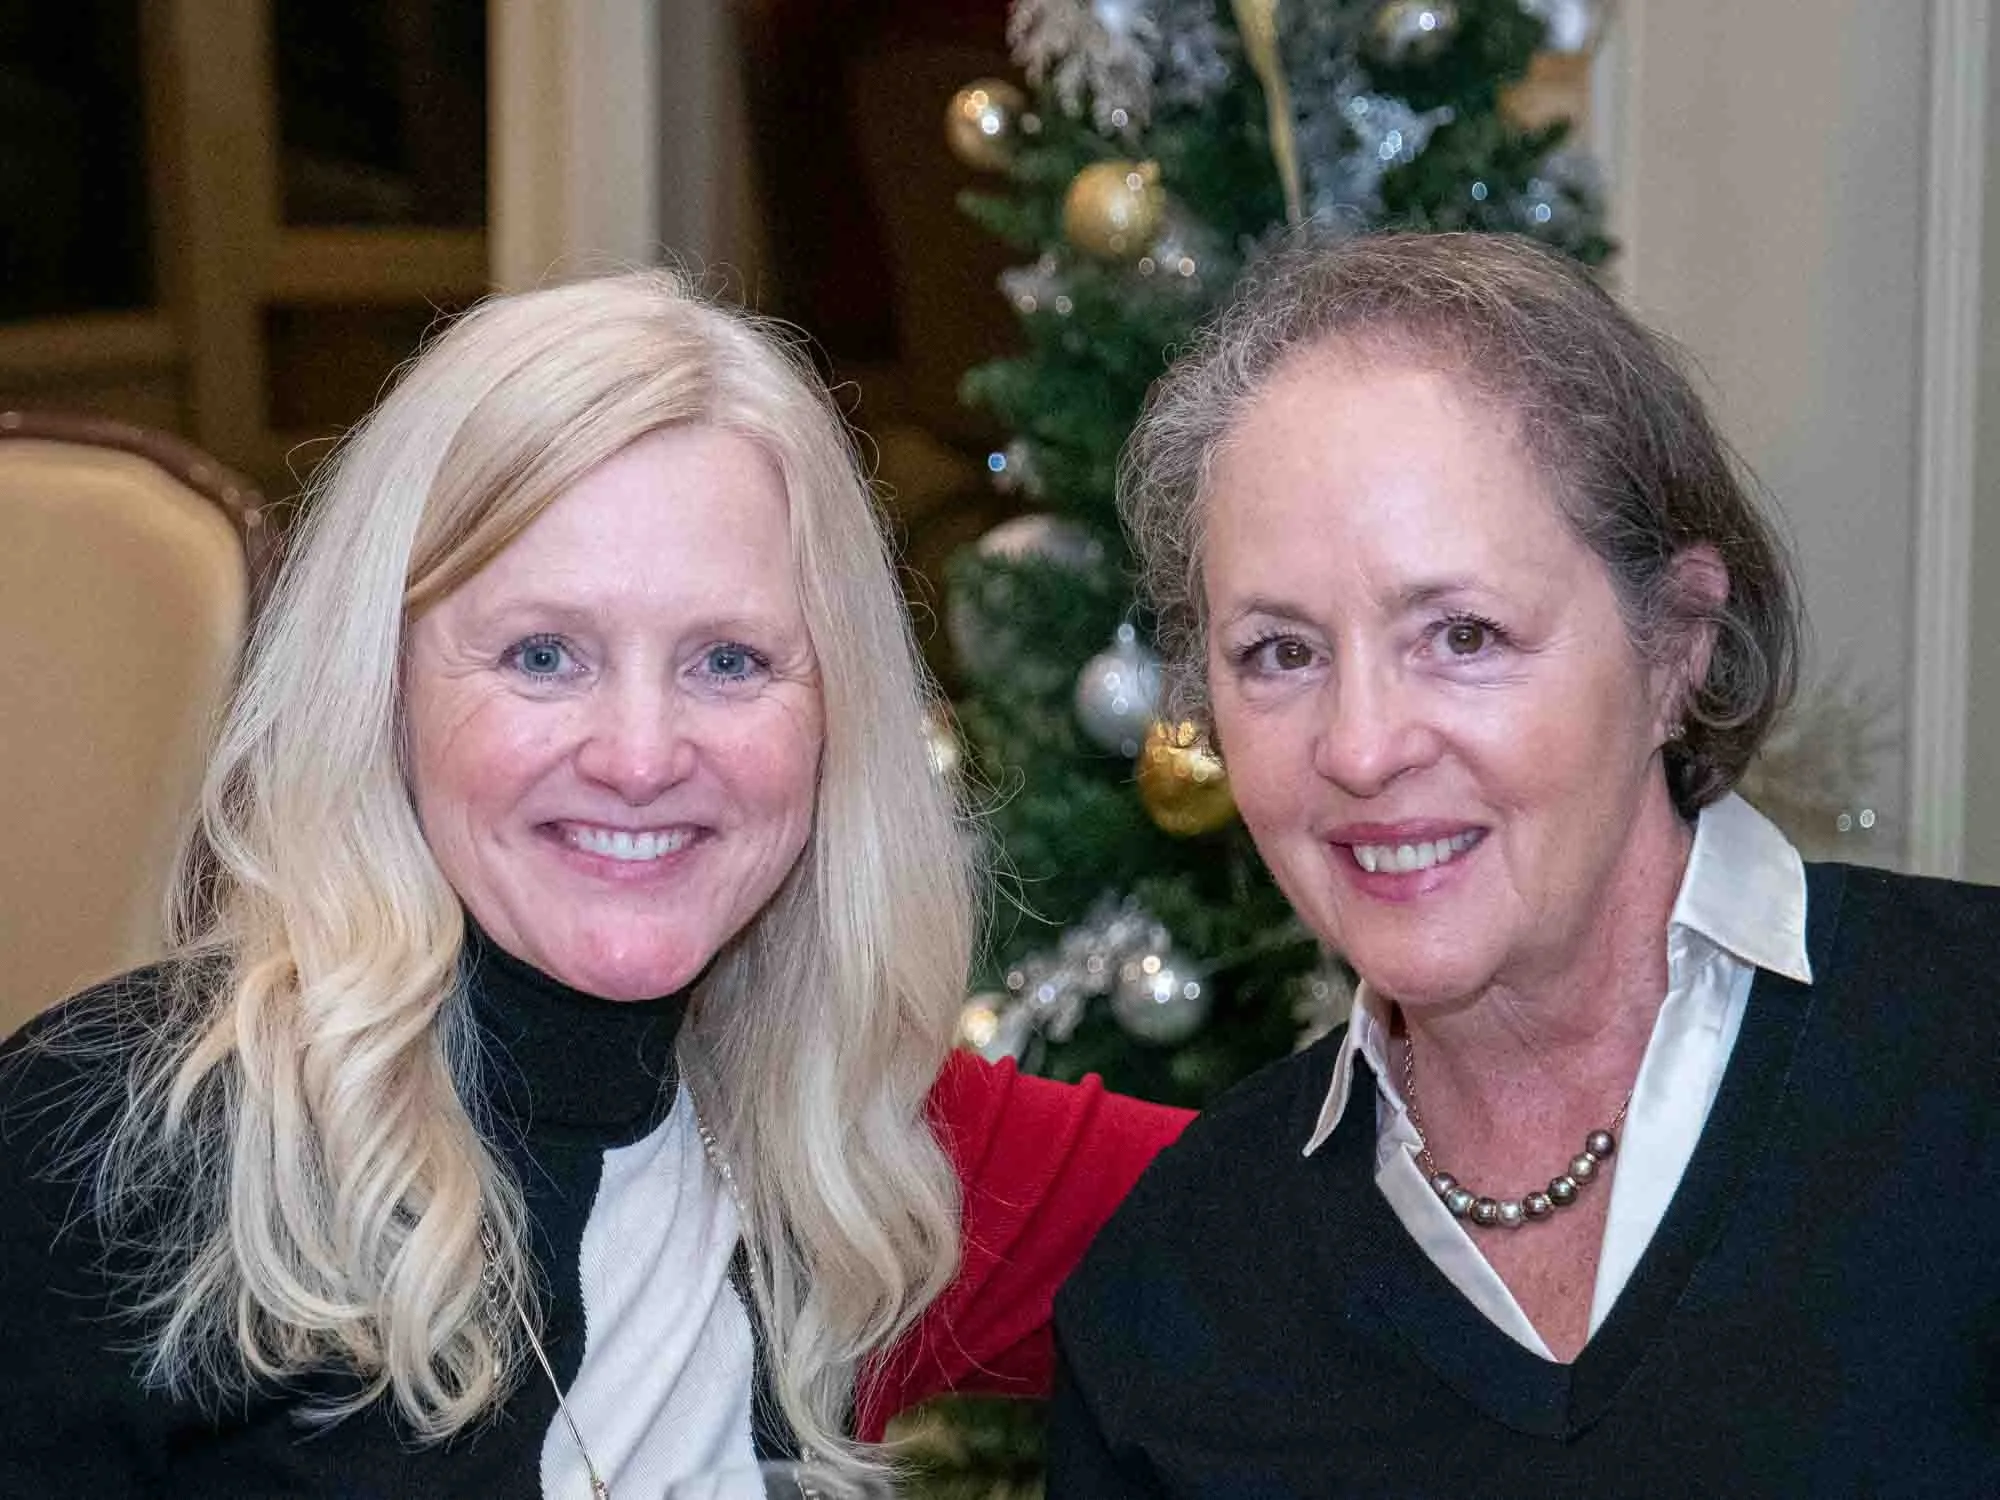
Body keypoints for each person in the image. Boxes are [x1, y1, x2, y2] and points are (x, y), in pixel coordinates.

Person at [0, 269, 1190, 1497]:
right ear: (381, 687)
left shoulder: (844, 1156)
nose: (637, 755)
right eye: (543, 655)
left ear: (836, 714)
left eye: (728, 661)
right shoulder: (112, 1154)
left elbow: (1348, 1236)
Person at [1048, 232, 2000, 1496]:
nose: (1362, 747)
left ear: (1677, 648)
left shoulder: (1966, 1061)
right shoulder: (1173, 1291)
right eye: (1279, 653)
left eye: (1460, 634)